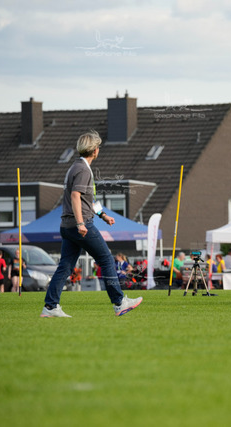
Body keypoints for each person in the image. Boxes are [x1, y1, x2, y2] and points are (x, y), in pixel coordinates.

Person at [41, 130, 142, 317]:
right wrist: (81, 223)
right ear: (95, 150)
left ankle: (50, 307)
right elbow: (75, 196)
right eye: (98, 147)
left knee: (65, 266)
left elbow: (88, 199)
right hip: (80, 225)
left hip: (67, 225)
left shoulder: (76, 167)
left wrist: (103, 215)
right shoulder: (82, 170)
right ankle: (119, 303)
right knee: (106, 259)